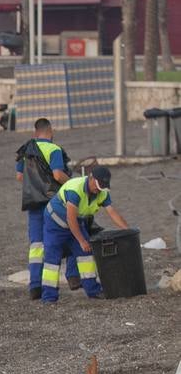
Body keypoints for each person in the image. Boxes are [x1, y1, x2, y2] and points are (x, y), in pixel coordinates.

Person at [39, 166, 128, 304]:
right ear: (91, 178)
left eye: (102, 187)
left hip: (76, 222)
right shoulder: (75, 189)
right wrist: (81, 240)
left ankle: (93, 290)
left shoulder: (102, 192)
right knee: (52, 260)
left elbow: (112, 213)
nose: (99, 189)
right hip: (55, 224)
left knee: (86, 255)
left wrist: (128, 231)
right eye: (98, 185)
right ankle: (49, 297)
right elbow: (70, 218)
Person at [15, 117, 76, 301]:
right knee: (70, 234)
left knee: (36, 245)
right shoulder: (54, 149)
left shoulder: (26, 150)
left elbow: (19, 177)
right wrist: (71, 182)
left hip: (33, 203)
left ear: (35, 133)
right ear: (51, 131)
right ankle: (73, 276)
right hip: (53, 202)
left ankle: (35, 286)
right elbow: (57, 174)